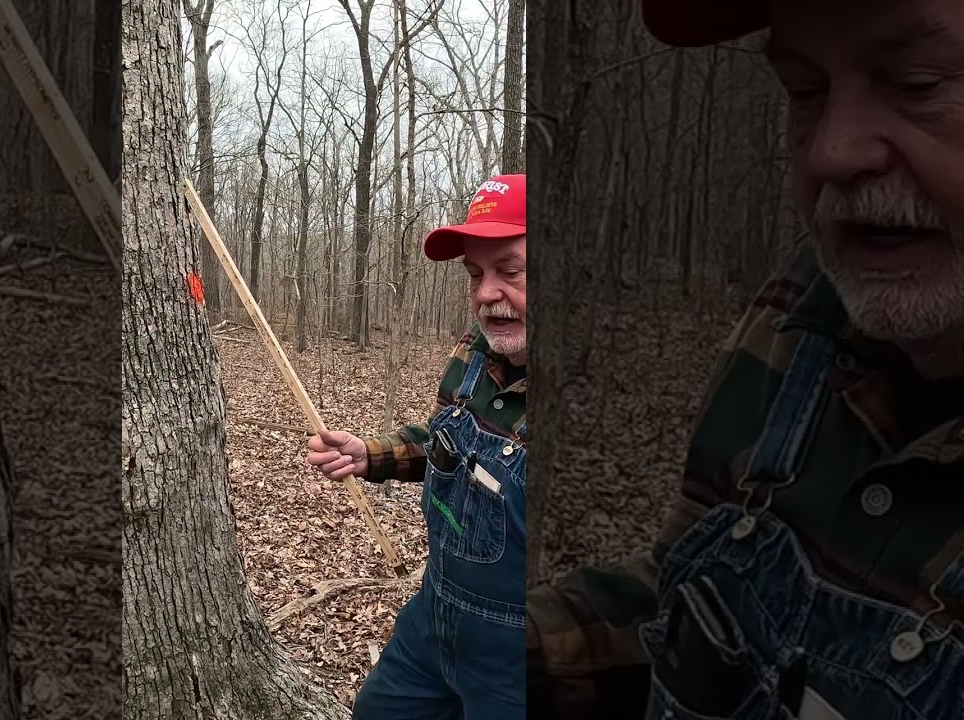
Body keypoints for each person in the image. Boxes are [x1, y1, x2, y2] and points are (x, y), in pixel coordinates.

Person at [528, 0, 964, 717]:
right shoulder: (809, 311)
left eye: (917, 82)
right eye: (804, 89)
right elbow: (697, 606)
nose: (831, 150)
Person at [307, 173, 527, 719]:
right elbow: (448, 440)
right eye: (475, 274)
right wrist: (372, 454)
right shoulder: (473, 354)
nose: (485, 294)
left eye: (511, 271)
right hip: (434, 618)